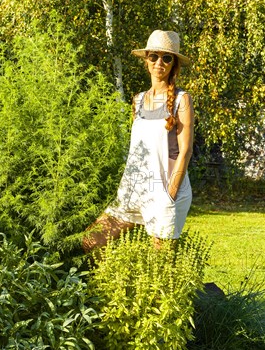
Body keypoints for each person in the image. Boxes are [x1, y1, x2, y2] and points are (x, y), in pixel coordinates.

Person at [83, 29, 194, 252]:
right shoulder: (138, 100)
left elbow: (185, 151)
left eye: (166, 57)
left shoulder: (182, 100)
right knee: (91, 242)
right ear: (146, 60)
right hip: (134, 190)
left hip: (164, 193)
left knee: (160, 266)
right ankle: (117, 286)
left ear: (174, 64)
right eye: (153, 56)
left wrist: (170, 193)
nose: (159, 62)